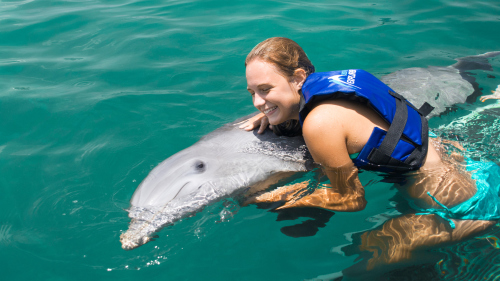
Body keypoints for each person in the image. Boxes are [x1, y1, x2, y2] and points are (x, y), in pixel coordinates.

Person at [239, 37, 499, 271]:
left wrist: (281, 198)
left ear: (297, 78)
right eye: (253, 93)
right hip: (472, 168)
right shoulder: (336, 84)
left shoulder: (319, 124)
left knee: (366, 250)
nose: (257, 102)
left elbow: (351, 199)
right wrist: (273, 108)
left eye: (265, 89)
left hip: (462, 208)